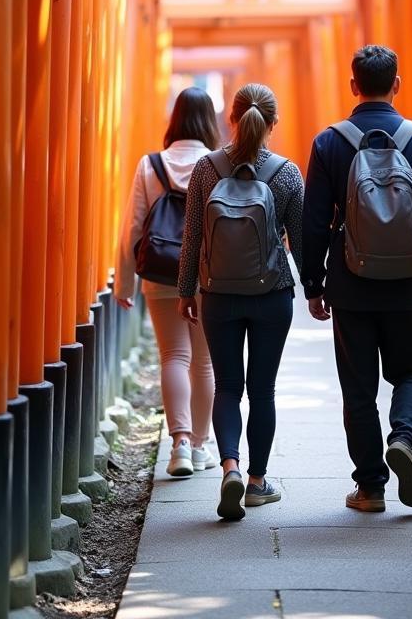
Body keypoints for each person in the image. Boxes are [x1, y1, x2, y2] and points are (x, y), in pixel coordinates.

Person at [301, 45, 412, 513]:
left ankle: (370, 488)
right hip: (407, 279)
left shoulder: (331, 142)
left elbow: (312, 220)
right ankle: (406, 439)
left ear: (353, 86)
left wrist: (314, 283)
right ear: (397, 84)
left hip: (351, 281)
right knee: (410, 370)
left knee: (358, 385)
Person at [177, 83, 305, 521]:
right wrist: (318, 291)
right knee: (262, 389)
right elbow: (302, 242)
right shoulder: (286, 173)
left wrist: (185, 291)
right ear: (273, 123)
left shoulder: (205, 170)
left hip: (218, 294)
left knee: (228, 386)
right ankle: (256, 482)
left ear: (230, 119)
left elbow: (192, 235)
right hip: (272, 294)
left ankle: (228, 465)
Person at [116, 87, 220, 478]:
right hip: (209, 274)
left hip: (162, 273)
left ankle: (177, 443)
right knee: (204, 362)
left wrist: (124, 284)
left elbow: (132, 228)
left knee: (173, 356)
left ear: (173, 120)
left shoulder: (150, 165)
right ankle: (199, 445)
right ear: (209, 122)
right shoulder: (216, 164)